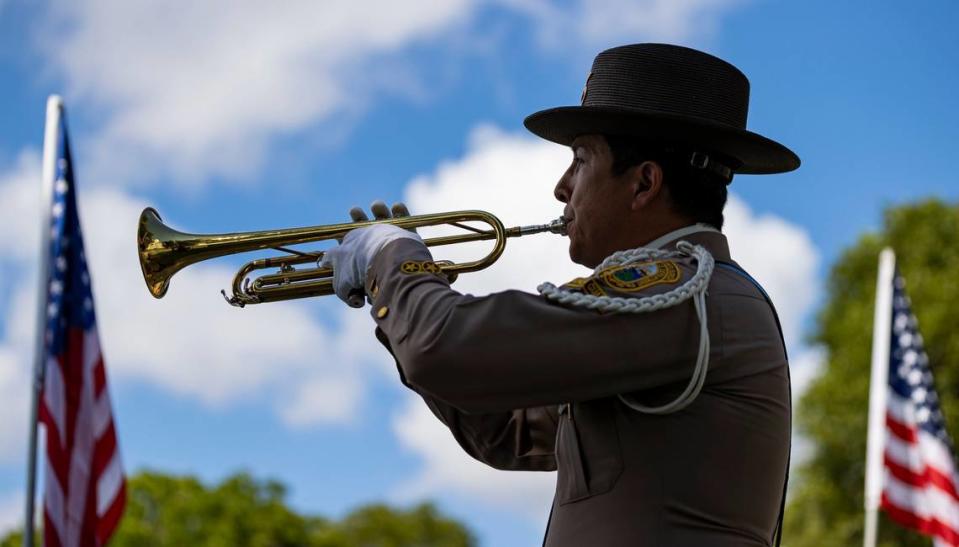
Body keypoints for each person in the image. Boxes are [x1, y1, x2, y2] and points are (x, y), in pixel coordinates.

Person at [321, 43, 799, 546]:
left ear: (644, 184)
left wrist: (393, 258)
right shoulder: (683, 304)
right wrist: (398, 299)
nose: (561, 187)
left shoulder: (681, 291)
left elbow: (445, 350)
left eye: (580, 160)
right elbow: (507, 433)